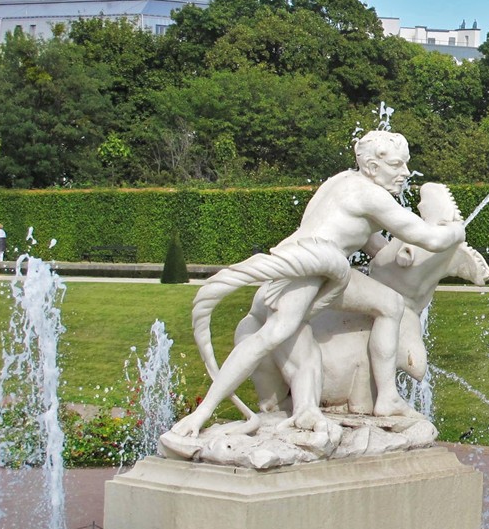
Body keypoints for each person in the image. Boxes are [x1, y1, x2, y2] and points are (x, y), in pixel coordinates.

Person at [171, 131, 466, 438]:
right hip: (310, 269)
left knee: (390, 305)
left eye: (405, 164)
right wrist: (455, 231)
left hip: (321, 266)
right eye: (396, 165)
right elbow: (430, 238)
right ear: (373, 168)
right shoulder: (371, 195)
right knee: (271, 335)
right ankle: (202, 413)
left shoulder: (340, 182)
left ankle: (387, 398)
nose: (405, 173)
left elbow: (364, 240)